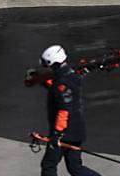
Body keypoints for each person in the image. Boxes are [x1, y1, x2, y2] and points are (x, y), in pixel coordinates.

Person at [38, 44, 101, 176]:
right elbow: (55, 84)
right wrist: (39, 79)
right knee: (75, 168)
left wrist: (57, 134)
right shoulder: (71, 75)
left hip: (65, 132)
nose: (47, 67)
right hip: (77, 130)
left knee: (49, 165)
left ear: (53, 63)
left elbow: (64, 110)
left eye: (47, 64)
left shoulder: (61, 83)